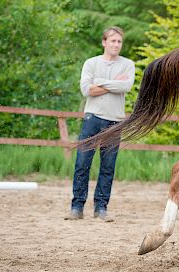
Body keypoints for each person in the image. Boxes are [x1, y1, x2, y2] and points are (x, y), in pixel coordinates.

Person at [65, 26, 135, 222]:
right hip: (92, 118)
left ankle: (101, 208)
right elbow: (87, 90)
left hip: (115, 121)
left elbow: (126, 86)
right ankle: (77, 207)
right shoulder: (91, 63)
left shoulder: (128, 64)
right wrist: (113, 83)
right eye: (113, 41)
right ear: (104, 42)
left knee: (108, 166)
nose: (116, 45)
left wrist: (100, 83)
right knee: (82, 163)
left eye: (119, 41)